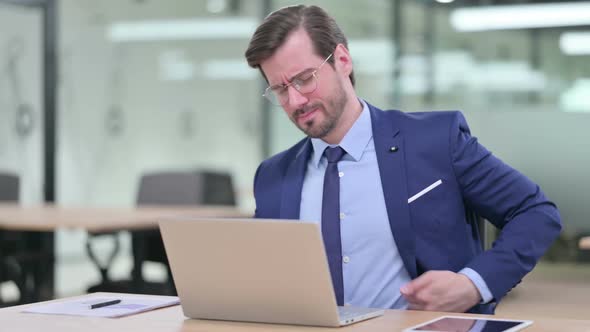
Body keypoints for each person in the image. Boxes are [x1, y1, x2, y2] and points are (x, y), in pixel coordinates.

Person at [244, 5, 561, 314]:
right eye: (280, 89)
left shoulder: (435, 141)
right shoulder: (273, 177)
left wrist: (473, 284)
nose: (296, 100)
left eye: (304, 79)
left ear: (342, 60)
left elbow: (534, 211)